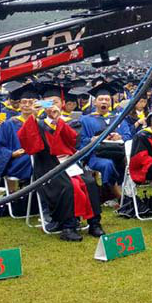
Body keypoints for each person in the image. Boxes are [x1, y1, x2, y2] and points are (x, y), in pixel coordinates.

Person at [16, 102, 106, 241]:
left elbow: (72, 141)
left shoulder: (63, 122)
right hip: (47, 167)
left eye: (55, 103)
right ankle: (68, 227)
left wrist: (58, 120)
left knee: (89, 182)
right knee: (68, 186)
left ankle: (94, 223)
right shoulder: (36, 124)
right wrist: (33, 115)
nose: (52, 107)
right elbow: (30, 145)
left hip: (68, 163)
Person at [78, 82, 127, 202]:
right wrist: (92, 140)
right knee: (107, 164)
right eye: (101, 99)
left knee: (125, 162)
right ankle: (112, 194)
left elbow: (128, 136)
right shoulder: (85, 120)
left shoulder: (118, 118)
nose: (104, 102)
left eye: (106, 99)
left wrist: (120, 136)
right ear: (95, 102)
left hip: (118, 153)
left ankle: (123, 191)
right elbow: (80, 140)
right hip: (96, 155)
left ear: (111, 102)